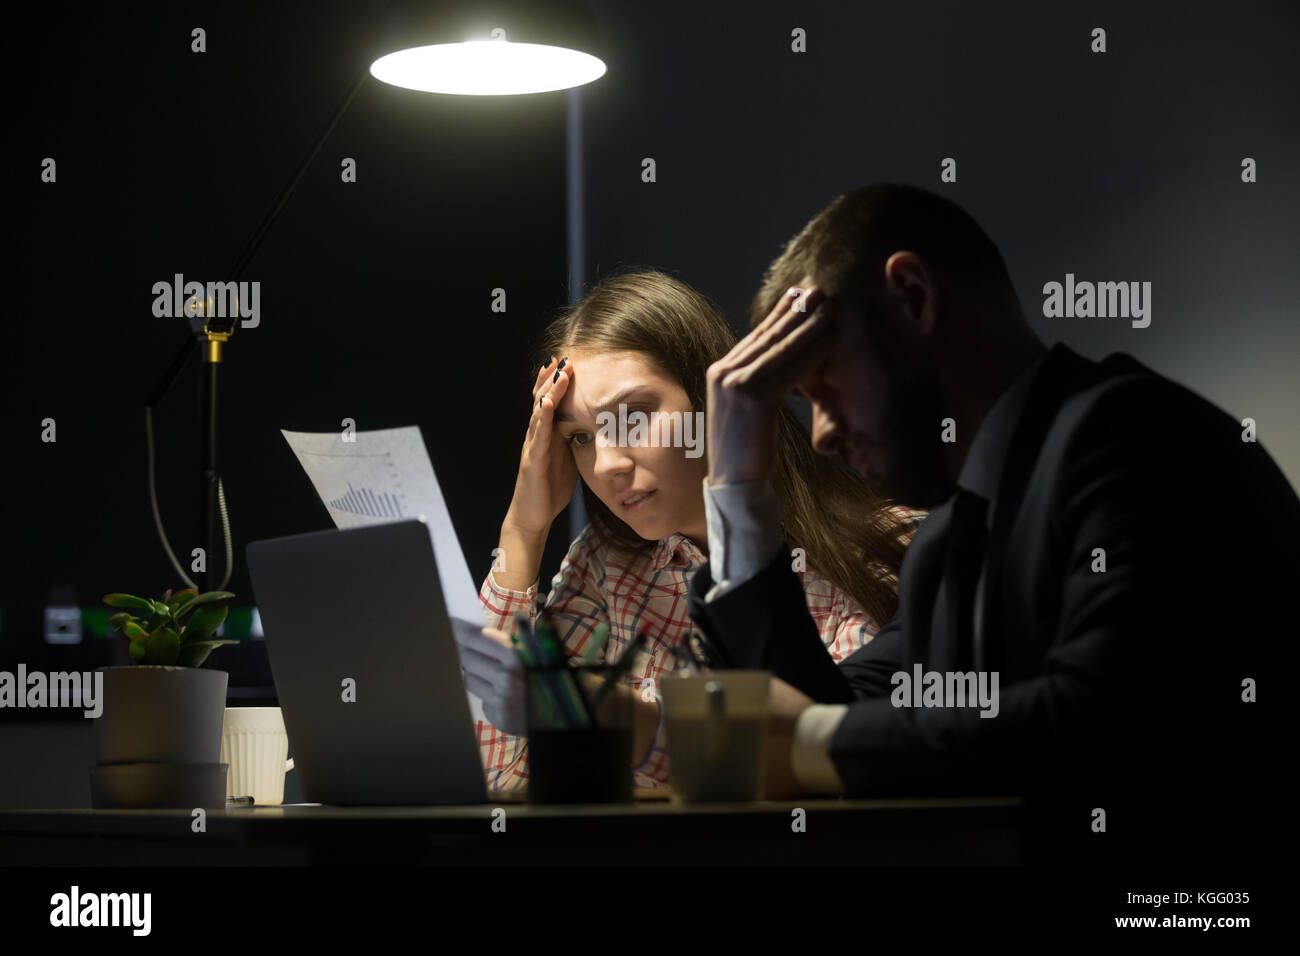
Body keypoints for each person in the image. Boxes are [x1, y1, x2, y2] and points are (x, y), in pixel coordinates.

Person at [687, 183, 1297, 861]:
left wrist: (810, 741)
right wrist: (738, 482)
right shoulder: (946, 538)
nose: (821, 434)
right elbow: (832, 734)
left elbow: (1101, 723)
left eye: (823, 376)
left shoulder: (1135, 438)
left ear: (913, 298)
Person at [454, 269, 925, 791]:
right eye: (581, 438)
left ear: (713, 405)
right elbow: (497, 774)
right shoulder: (604, 561)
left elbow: (825, 770)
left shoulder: (887, 547)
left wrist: (630, 727)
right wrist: (523, 531)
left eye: (632, 417)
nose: (607, 462)